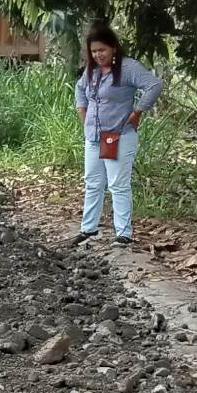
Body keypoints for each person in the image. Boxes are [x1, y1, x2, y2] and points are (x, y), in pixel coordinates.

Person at [73, 25, 162, 245]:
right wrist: (83, 114)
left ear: (113, 47)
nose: (98, 55)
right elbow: (80, 89)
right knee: (93, 183)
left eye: (102, 50)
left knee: (118, 184)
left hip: (118, 135)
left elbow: (153, 85)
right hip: (94, 137)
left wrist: (137, 112)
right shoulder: (92, 70)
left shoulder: (128, 67)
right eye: (94, 51)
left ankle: (123, 234)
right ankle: (89, 229)